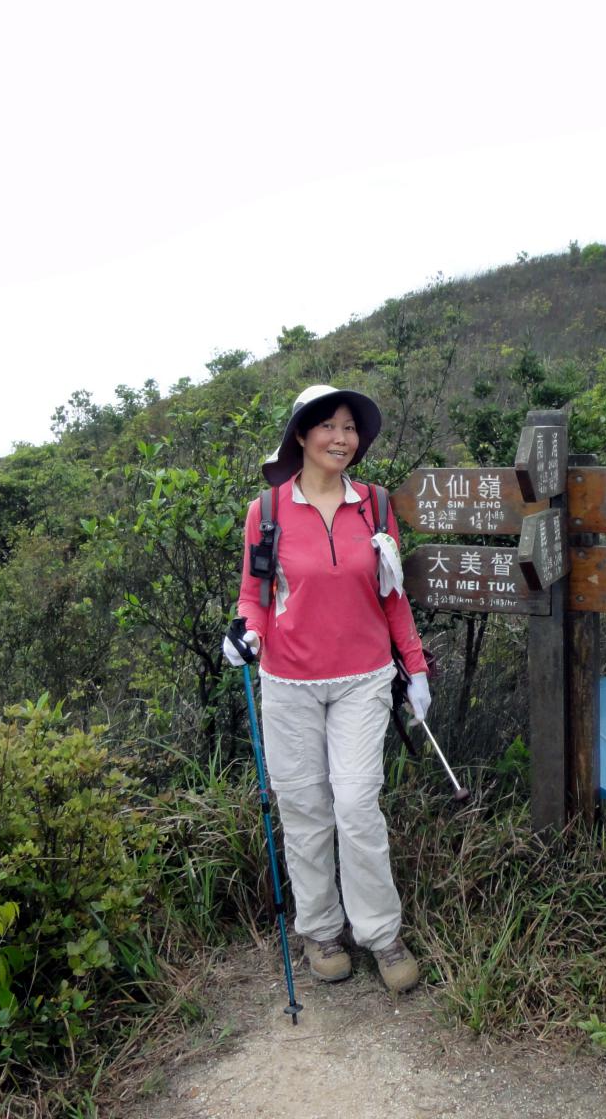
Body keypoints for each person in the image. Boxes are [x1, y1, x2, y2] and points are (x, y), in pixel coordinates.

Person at [223, 383, 429, 993]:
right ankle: (320, 930)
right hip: (289, 683)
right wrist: (246, 634)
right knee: (304, 809)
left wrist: (415, 668)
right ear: (302, 435)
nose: (342, 438)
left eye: (350, 428)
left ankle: (381, 933)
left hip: (364, 679)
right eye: (328, 426)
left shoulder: (375, 505)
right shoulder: (267, 511)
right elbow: (254, 595)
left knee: (358, 804)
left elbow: (393, 595)